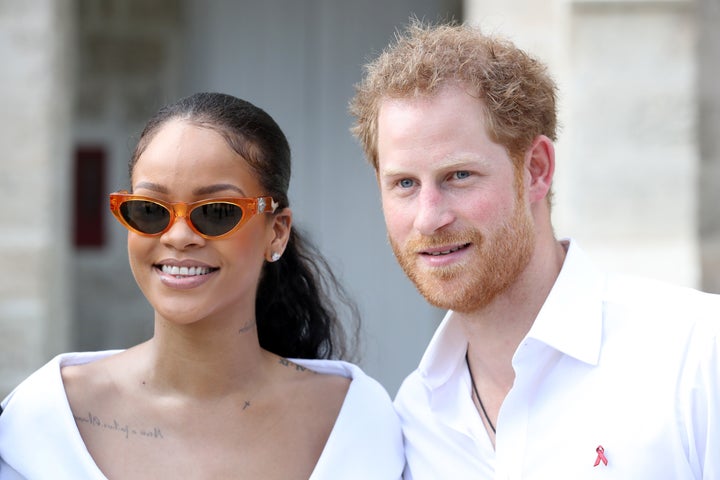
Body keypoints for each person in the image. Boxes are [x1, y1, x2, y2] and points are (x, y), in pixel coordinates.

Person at [350, 20, 720, 479]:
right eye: (404, 183)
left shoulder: (698, 353)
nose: (429, 217)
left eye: (459, 176)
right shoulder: (412, 421)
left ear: (537, 170)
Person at [0, 92, 404, 479]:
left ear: (277, 232)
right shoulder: (44, 420)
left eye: (215, 212)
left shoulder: (357, 421)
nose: (178, 236)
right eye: (149, 210)